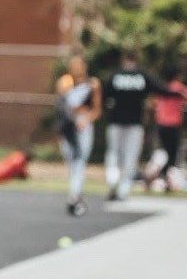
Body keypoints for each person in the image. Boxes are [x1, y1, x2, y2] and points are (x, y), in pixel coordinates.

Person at [103, 51, 184, 201]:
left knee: (114, 153)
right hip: (134, 123)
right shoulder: (141, 75)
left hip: (115, 122)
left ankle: (113, 181)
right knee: (130, 156)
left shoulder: (115, 75)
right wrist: (179, 94)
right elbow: (162, 89)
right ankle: (123, 189)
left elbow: (103, 95)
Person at [55, 55, 102, 217]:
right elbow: (62, 106)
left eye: (78, 65)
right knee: (70, 160)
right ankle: (75, 193)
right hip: (68, 125)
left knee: (80, 160)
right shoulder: (65, 82)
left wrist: (86, 120)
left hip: (83, 124)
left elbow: (97, 110)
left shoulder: (92, 84)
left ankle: (75, 195)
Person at [153, 67, 186, 187]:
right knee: (173, 154)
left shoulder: (162, 87)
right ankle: (162, 176)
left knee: (167, 152)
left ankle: (163, 177)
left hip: (161, 124)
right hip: (173, 125)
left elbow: (155, 105)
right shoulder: (179, 87)